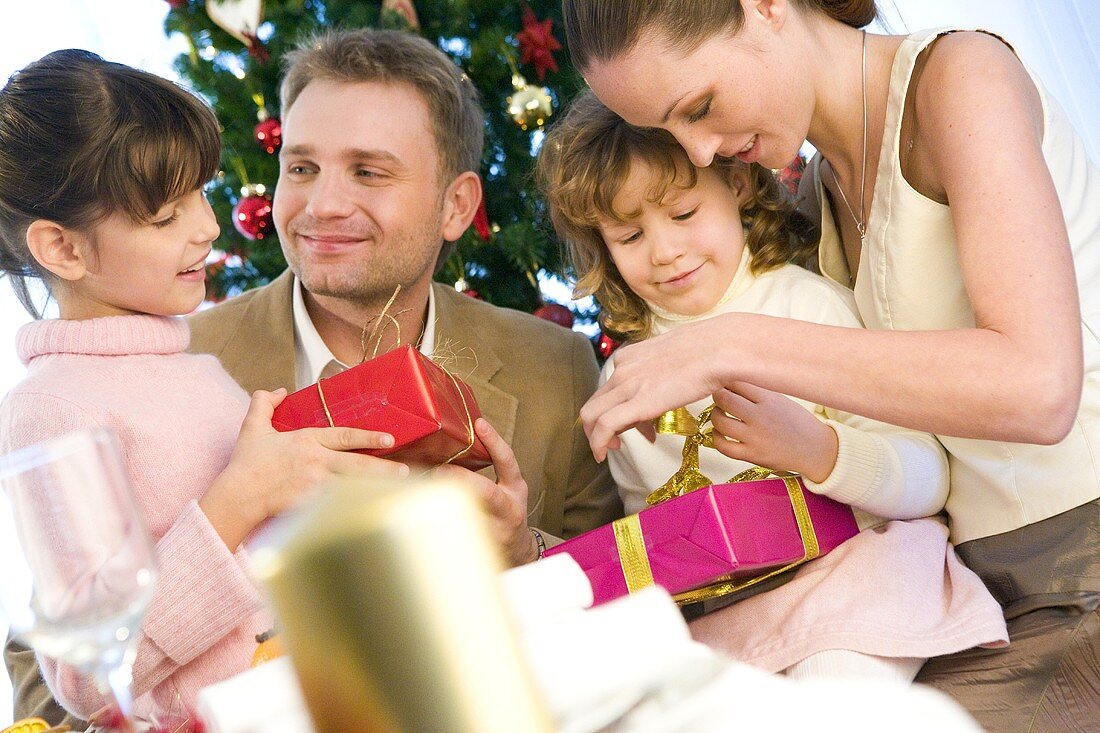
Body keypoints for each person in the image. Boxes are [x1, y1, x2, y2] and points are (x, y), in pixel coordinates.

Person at [5, 29, 623, 726]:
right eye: (300, 167)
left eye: (368, 171)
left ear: (457, 206)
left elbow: (632, 605)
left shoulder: (558, 367)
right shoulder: (165, 366)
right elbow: (60, 667)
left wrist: (520, 551)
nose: (323, 205)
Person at [561, 0, 1100, 729]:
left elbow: (1040, 387)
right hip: (969, 590)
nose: (696, 153)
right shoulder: (815, 195)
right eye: (668, 132)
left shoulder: (959, 78)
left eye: (701, 106)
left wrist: (724, 343)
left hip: (1079, 569)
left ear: (765, 7)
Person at [537, 90, 1007, 681]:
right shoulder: (626, 379)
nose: (665, 251)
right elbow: (651, 537)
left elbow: (929, 479)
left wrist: (816, 450)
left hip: (861, 577)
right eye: (628, 237)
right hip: (733, 618)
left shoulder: (805, 306)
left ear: (735, 185)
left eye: (683, 215)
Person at [0, 50, 409, 723]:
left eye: (203, 193)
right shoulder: (48, 408)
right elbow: (88, 677)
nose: (208, 226)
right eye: (165, 216)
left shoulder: (192, 364)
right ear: (62, 249)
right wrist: (238, 498)